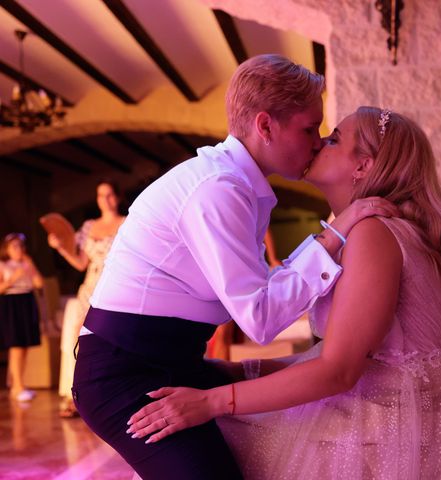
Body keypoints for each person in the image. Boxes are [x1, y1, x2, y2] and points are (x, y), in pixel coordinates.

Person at [72, 55, 397, 479]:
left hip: (171, 361)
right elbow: (260, 319)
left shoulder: (238, 185)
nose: (317, 142)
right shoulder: (218, 190)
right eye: (308, 128)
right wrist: (336, 233)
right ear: (265, 126)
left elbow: (264, 288)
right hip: (124, 374)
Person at [127, 107, 441, 479]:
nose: (317, 145)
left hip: (386, 432)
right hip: (391, 409)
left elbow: (338, 371)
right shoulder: (378, 229)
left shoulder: (375, 233)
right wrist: (235, 371)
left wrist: (210, 400)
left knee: (190, 439)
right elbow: (348, 359)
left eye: (332, 140)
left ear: (362, 166)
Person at [47, 180, 126, 418]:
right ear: (97, 199)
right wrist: (61, 247)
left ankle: (111, 393)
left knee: (111, 340)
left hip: (116, 286)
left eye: (110, 194)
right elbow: (81, 262)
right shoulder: (89, 226)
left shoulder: (128, 223)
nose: (106, 199)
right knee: (78, 341)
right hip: (90, 287)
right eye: (101, 195)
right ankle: (77, 395)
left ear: (117, 197)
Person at [0, 233, 43, 402]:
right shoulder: (3, 265)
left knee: (24, 347)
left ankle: (19, 384)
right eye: (14, 246)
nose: (19, 249)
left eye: (21, 246)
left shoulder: (27, 264)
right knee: (16, 346)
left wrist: (30, 264)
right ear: (7, 249)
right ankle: (17, 386)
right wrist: (13, 279)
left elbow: (39, 283)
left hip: (26, 301)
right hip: (11, 303)